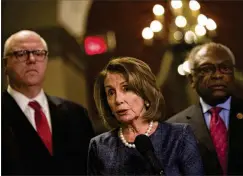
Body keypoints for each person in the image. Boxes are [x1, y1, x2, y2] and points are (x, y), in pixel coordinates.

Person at [87, 57, 204, 175]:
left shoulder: (179, 136)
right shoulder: (99, 146)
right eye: (111, 93)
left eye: (126, 88)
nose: (118, 100)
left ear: (146, 94)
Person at [2, 30, 95, 175]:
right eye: (21, 53)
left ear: (46, 60)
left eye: (39, 53)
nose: (31, 59)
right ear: (5, 64)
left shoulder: (76, 114)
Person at [167, 42, 243, 175]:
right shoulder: (174, 128)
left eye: (225, 68)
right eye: (207, 69)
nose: (218, 75)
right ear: (192, 79)